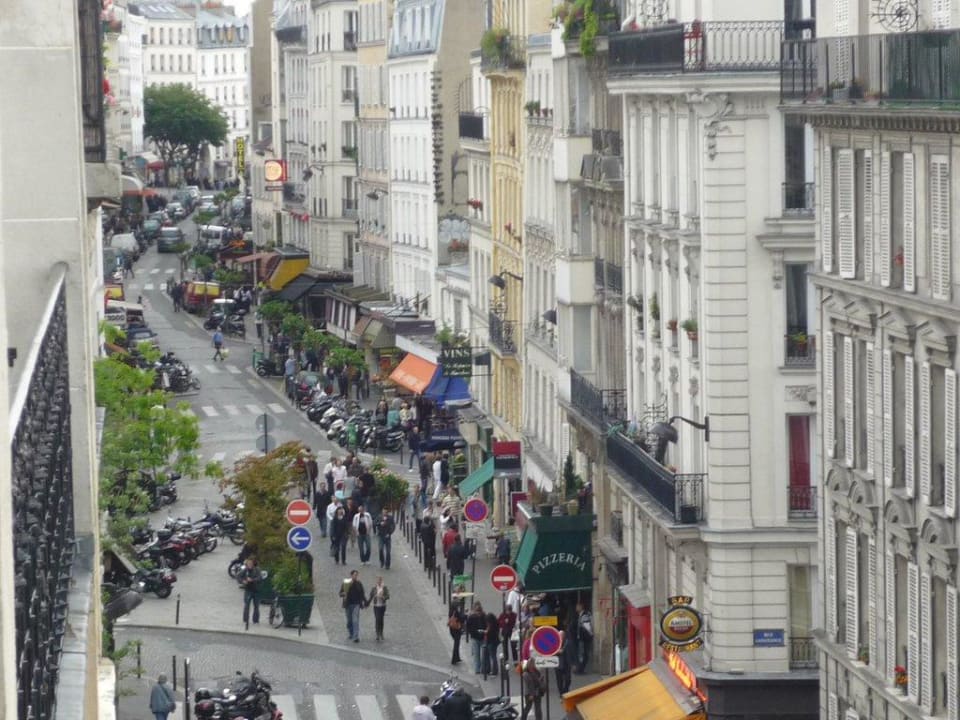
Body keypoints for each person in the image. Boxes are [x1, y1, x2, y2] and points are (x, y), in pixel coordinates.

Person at [339, 569, 367, 642]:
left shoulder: (359, 583)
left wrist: (365, 602)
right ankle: (351, 633)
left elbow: (362, 594)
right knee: (349, 621)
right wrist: (343, 594)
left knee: (355, 620)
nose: (356, 576)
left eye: (357, 575)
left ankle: (355, 637)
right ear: (351, 575)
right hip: (348, 604)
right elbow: (340, 593)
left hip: (356, 604)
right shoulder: (346, 583)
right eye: (354, 575)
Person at [238, 557, 260, 626]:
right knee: (247, 605)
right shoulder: (245, 570)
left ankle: (255, 620)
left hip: (256, 590)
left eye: (251, 563)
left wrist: (252, 580)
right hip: (248, 590)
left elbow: (260, 578)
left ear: (253, 564)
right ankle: (245, 619)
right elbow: (238, 576)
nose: (249, 565)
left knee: (256, 606)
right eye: (248, 563)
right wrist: (243, 581)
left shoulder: (257, 570)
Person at [465, 602, 486, 674]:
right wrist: (473, 632)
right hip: (475, 637)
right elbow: (468, 627)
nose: (478, 614)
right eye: (477, 613)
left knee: (483, 655)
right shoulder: (471, 617)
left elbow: (486, 625)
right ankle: (477, 669)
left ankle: (482, 669)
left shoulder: (484, 616)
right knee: (477, 655)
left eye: (479, 613)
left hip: (482, 637)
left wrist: (484, 631)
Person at [367, 575, 390, 641]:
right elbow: (371, 597)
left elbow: (388, 596)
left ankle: (381, 632)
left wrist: (383, 597)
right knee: (377, 619)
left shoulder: (384, 588)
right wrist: (367, 604)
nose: (379, 581)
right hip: (376, 606)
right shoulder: (374, 588)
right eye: (378, 580)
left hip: (382, 606)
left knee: (381, 619)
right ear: (376, 581)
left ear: (382, 581)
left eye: (380, 580)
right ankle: (377, 633)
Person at [575, 602, 593, 673]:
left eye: (577, 606)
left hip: (584, 638)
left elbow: (587, 627)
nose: (576, 608)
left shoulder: (585, 615)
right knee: (582, 653)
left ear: (581, 607)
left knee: (583, 653)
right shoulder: (581, 614)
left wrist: (589, 635)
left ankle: (581, 669)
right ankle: (580, 668)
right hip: (583, 638)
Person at [483, 612, 500, 677]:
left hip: (491, 642)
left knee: (493, 656)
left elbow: (490, 634)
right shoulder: (495, 624)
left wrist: (486, 632)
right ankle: (493, 670)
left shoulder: (491, 626)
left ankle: (494, 671)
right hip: (494, 642)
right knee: (493, 656)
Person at [556, 630, 573, 694]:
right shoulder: (556, 643)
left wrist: (573, 663)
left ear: (564, 636)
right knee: (559, 681)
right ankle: (561, 693)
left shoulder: (568, 642)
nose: (561, 636)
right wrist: (557, 651)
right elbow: (552, 651)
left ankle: (565, 690)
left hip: (567, 664)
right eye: (560, 635)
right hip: (558, 664)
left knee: (568, 679)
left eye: (562, 635)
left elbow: (572, 652)